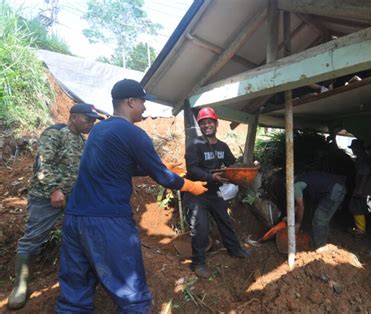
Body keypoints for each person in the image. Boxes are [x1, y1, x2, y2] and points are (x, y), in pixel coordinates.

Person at [55, 79, 208, 313]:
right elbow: (164, 178)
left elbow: (118, 165)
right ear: (131, 101)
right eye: (143, 102)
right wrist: (189, 185)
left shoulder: (98, 130)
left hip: (75, 218)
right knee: (132, 295)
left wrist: (155, 166)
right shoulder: (133, 133)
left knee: (74, 294)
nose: (145, 108)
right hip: (107, 221)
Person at [7, 103, 102, 310]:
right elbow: (43, 163)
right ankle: (20, 286)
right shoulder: (55, 133)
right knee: (33, 238)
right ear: (74, 117)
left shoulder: (80, 140)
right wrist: (53, 190)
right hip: (46, 198)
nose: (91, 124)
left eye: (93, 121)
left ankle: (82, 279)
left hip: (73, 199)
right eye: (88, 119)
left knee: (79, 237)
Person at [184, 107, 250, 279]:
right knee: (201, 227)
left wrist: (243, 172)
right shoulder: (195, 144)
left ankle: (234, 249)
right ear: (200, 125)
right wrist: (212, 177)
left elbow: (232, 164)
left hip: (214, 192)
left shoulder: (222, 146)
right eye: (203, 123)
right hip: (197, 191)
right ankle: (198, 263)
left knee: (225, 220)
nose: (207, 125)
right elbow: (192, 168)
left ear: (216, 123)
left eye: (210, 122)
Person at [293, 171, 347, 249]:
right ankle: (324, 241)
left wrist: (298, 224)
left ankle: (320, 247)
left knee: (319, 218)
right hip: (338, 186)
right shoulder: (301, 177)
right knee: (323, 218)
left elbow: (300, 207)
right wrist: (289, 217)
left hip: (334, 190)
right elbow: (297, 205)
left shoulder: (295, 186)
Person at [348, 139, 371, 235]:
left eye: (354, 148)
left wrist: (359, 189)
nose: (353, 150)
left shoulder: (363, 159)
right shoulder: (364, 158)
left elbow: (364, 175)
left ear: (358, 148)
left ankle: (361, 230)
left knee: (356, 207)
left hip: (365, 189)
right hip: (369, 189)